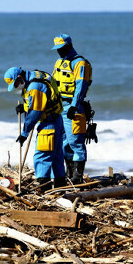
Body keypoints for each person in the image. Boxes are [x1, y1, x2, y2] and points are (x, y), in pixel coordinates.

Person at [4, 67, 65, 191]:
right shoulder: (36, 76)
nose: (16, 87)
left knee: (42, 156)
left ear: (20, 78)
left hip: (48, 124)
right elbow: (36, 103)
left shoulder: (35, 86)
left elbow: (36, 111)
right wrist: (24, 108)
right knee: (56, 156)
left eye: (15, 84)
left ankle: (44, 188)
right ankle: (60, 187)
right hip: (55, 120)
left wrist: (25, 133)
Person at [51, 34, 93, 184]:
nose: (59, 52)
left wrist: (74, 106)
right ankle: (68, 174)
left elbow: (81, 87)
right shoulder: (59, 62)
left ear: (69, 46)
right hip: (59, 107)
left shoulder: (79, 63)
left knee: (75, 141)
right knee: (63, 143)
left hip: (72, 107)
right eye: (57, 49)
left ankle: (77, 177)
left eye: (62, 49)